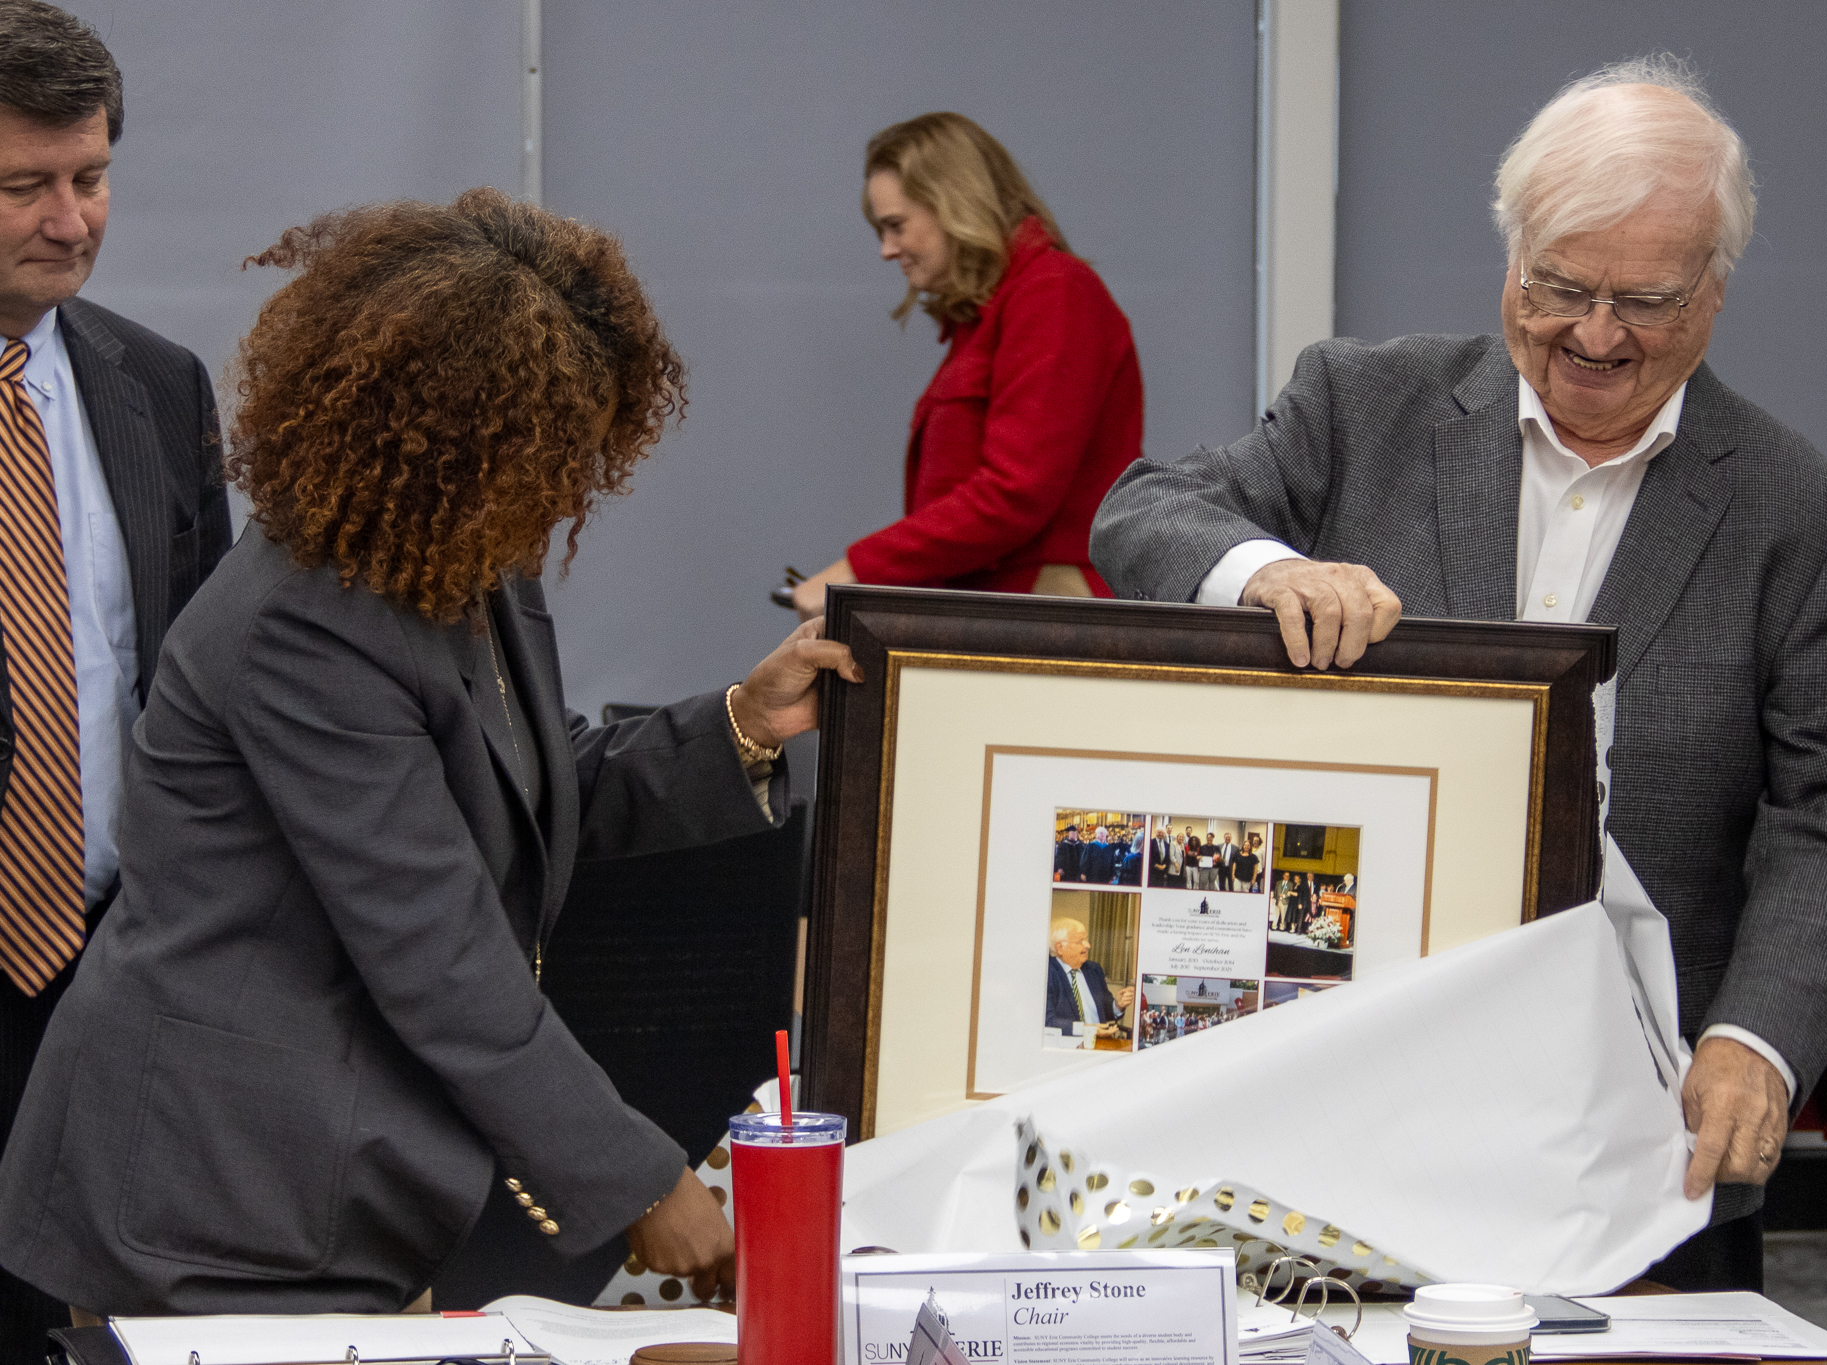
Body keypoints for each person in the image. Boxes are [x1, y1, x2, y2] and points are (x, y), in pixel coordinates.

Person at [1090, 56, 1827, 1290]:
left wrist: (1753, 1041)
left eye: (1641, 300)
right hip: (1332, 1110)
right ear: (1508, 256)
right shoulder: (1358, 405)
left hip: (1634, 1140)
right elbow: (1141, 513)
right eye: (1559, 285)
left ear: (1713, 294)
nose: (1591, 335)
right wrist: (1263, 572)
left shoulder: (1803, 517)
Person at [0, 190, 865, 1317]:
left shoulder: (460, 558)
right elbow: (436, 946)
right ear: (448, 438)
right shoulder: (298, 622)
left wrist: (743, 720)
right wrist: (640, 1177)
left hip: (336, 1180)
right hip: (210, 1200)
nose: (567, 490)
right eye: (545, 454)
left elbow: (524, 783)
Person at [0, 4, 232, 1350]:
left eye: (90, 179)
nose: (71, 219)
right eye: (26, 186)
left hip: (109, 967)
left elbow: (202, 690)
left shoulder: (158, 385)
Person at [791, 112, 1144, 617]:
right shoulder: (988, 315)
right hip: (996, 613)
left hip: (1042, 615)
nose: (887, 250)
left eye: (895, 226)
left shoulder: (1054, 292)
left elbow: (1015, 493)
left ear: (954, 205)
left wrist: (857, 571)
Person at [1044, 919, 1132, 1039]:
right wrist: (1086, 1029)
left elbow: (1105, 1011)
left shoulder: (1093, 970)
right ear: (1060, 948)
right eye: (1080, 941)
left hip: (1101, 1043)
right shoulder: (1046, 973)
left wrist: (1118, 1005)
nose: (1088, 945)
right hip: (1068, 1047)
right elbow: (1048, 1021)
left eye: (1086, 940)